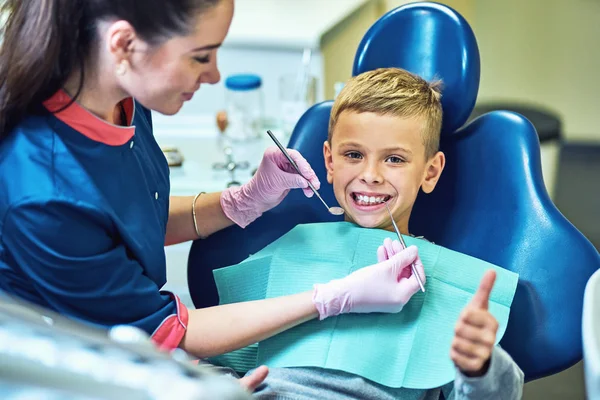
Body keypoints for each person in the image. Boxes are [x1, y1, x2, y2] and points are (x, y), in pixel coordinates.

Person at [0, 0, 426, 392]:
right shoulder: (42, 194)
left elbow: (125, 220)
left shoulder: (124, 97)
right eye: (201, 56)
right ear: (125, 46)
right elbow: (166, 331)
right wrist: (332, 298)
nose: (215, 75)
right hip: (71, 370)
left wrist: (240, 201)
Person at [240, 68, 524, 399]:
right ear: (329, 162)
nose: (370, 175)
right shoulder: (288, 252)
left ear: (430, 172)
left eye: (393, 159)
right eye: (354, 155)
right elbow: (217, 354)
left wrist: (480, 367)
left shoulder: (450, 287)